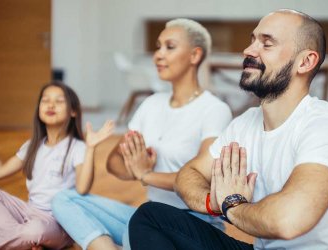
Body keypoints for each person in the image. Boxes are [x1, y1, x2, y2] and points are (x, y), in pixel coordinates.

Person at [128, 9, 328, 250]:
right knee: (151, 216)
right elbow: (187, 176)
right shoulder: (245, 123)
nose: (249, 51)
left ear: (305, 62)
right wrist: (215, 202)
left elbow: (288, 221)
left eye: (267, 43)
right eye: (253, 40)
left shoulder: (325, 123)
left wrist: (233, 205)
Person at [51, 18, 232, 250]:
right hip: (148, 215)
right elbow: (114, 162)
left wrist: (146, 175)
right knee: (64, 199)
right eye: (158, 46)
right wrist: (136, 165)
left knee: (139, 232)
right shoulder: (150, 104)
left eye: (170, 46)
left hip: (195, 223)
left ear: (194, 55)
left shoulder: (215, 110)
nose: (158, 55)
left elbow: (203, 178)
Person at [0, 81, 114, 250]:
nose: (51, 104)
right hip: (28, 213)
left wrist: (91, 148)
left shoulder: (78, 147)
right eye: (45, 100)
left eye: (59, 101)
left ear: (73, 111)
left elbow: (82, 188)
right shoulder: (32, 145)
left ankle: (22, 240)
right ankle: (25, 241)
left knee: (34, 230)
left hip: (57, 223)